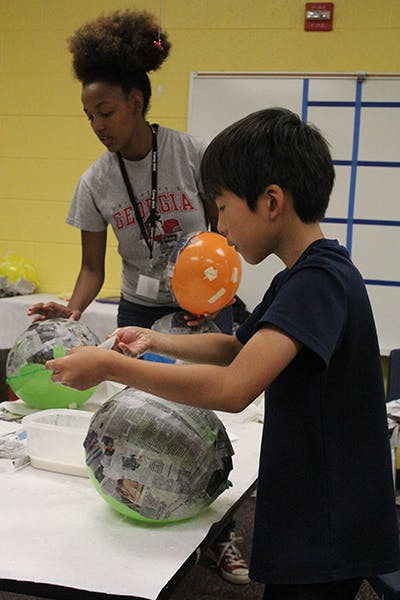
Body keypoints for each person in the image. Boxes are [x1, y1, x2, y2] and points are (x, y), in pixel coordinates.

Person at [46, 107, 400, 599]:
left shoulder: (320, 283)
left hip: (329, 521)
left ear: (271, 201)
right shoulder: (298, 278)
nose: (222, 227)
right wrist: (153, 341)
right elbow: (236, 347)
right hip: (316, 508)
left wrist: (111, 364)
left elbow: (235, 389)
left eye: (224, 207)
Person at [27, 8, 247, 585]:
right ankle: (143, 518)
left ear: (137, 102)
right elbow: (91, 268)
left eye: (106, 111)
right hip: (138, 309)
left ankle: (221, 535)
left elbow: (223, 234)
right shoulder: (95, 183)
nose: (97, 125)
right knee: (140, 417)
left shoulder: (193, 155)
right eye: (88, 116)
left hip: (204, 308)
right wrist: (70, 312)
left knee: (203, 413)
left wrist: (209, 297)